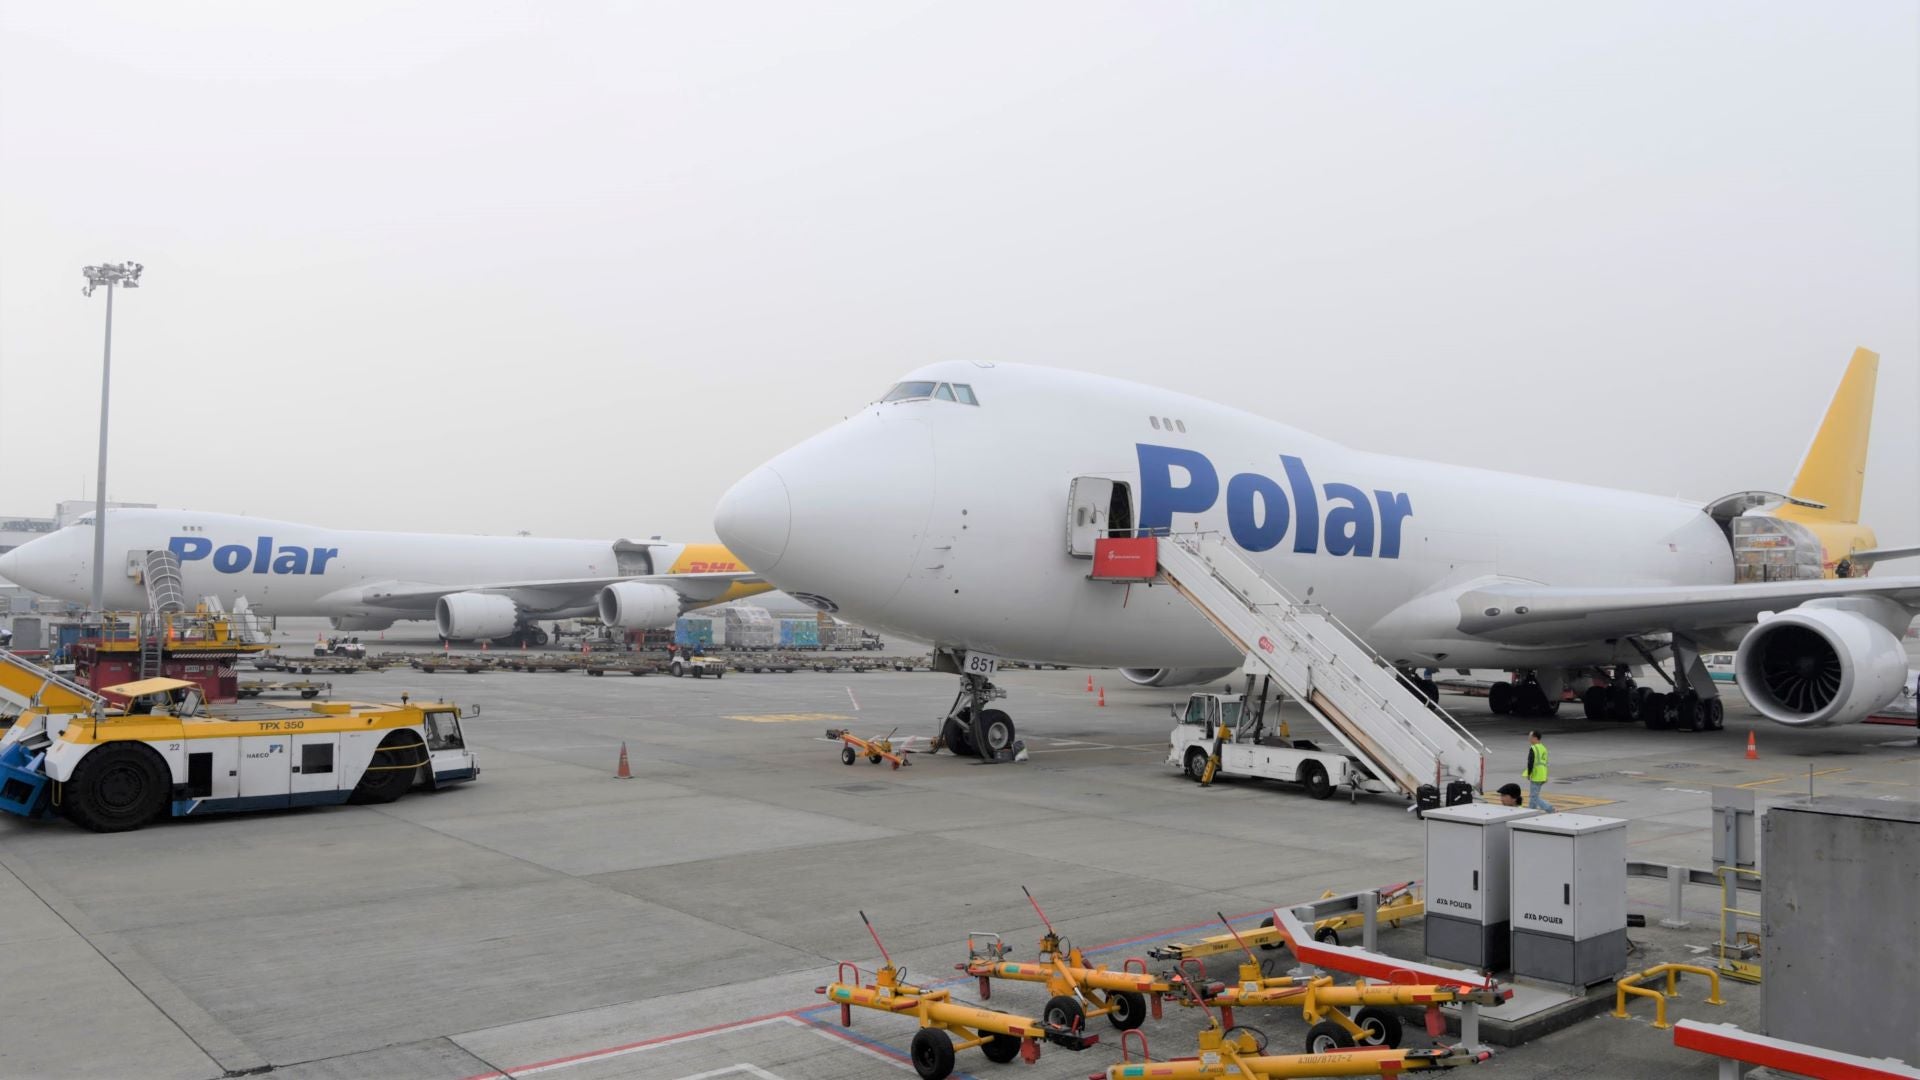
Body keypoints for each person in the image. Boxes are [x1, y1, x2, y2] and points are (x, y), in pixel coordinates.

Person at [1524, 731, 1550, 810]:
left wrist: (1529, 773)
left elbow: (1530, 762)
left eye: (1530, 737)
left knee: (1534, 796)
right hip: (1543, 774)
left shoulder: (1534, 748)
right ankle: (1531, 810)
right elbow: (1545, 762)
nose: (1529, 739)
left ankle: (1549, 808)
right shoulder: (1543, 748)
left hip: (1536, 775)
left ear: (1535, 738)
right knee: (1534, 795)